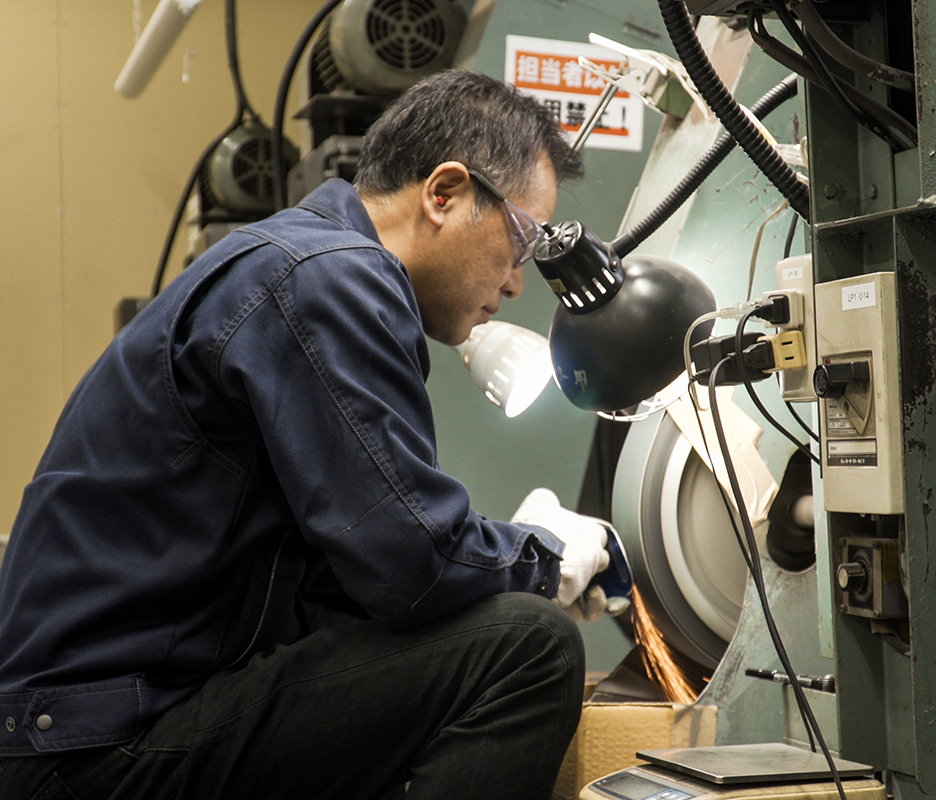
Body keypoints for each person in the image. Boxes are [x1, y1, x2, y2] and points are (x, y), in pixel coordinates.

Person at [0, 69, 615, 800]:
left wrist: (506, 558)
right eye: (521, 240)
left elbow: (353, 584)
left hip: (77, 732)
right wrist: (542, 561)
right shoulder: (330, 278)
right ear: (443, 194)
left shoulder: (299, 263)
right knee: (528, 647)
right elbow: (410, 563)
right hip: (93, 751)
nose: (517, 282)